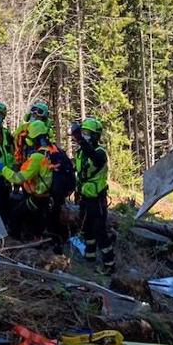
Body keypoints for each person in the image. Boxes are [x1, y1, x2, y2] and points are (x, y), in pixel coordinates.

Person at [2, 119, 72, 250]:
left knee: (16, 215)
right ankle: (51, 242)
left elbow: (18, 178)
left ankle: (16, 244)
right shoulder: (55, 151)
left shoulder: (37, 158)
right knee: (45, 223)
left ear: (32, 138)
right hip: (53, 198)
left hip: (40, 199)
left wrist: (3, 169)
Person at [72, 116, 115, 272]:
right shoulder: (80, 153)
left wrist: (80, 140)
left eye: (87, 133)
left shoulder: (100, 153)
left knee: (99, 231)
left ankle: (109, 265)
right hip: (84, 197)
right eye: (83, 132)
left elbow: (95, 159)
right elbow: (79, 171)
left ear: (96, 136)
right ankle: (90, 257)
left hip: (97, 199)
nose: (84, 136)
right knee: (86, 229)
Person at [12, 99, 50, 164]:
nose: (34, 117)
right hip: (22, 161)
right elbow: (14, 138)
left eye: (37, 116)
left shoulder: (45, 132)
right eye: (33, 115)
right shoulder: (24, 127)